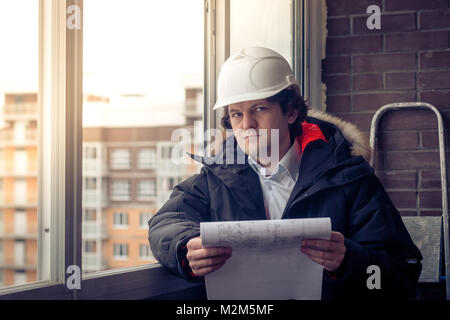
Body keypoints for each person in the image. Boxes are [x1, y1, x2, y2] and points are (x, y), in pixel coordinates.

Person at [148, 46, 422, 299]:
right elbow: (165, 223)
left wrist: (349, 261)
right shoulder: (214, 179)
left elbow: (403, 274)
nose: (247, 125)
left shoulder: (350, 179)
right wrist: (185, 250)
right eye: (236, 114)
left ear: (291, 112)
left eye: (259, 109)